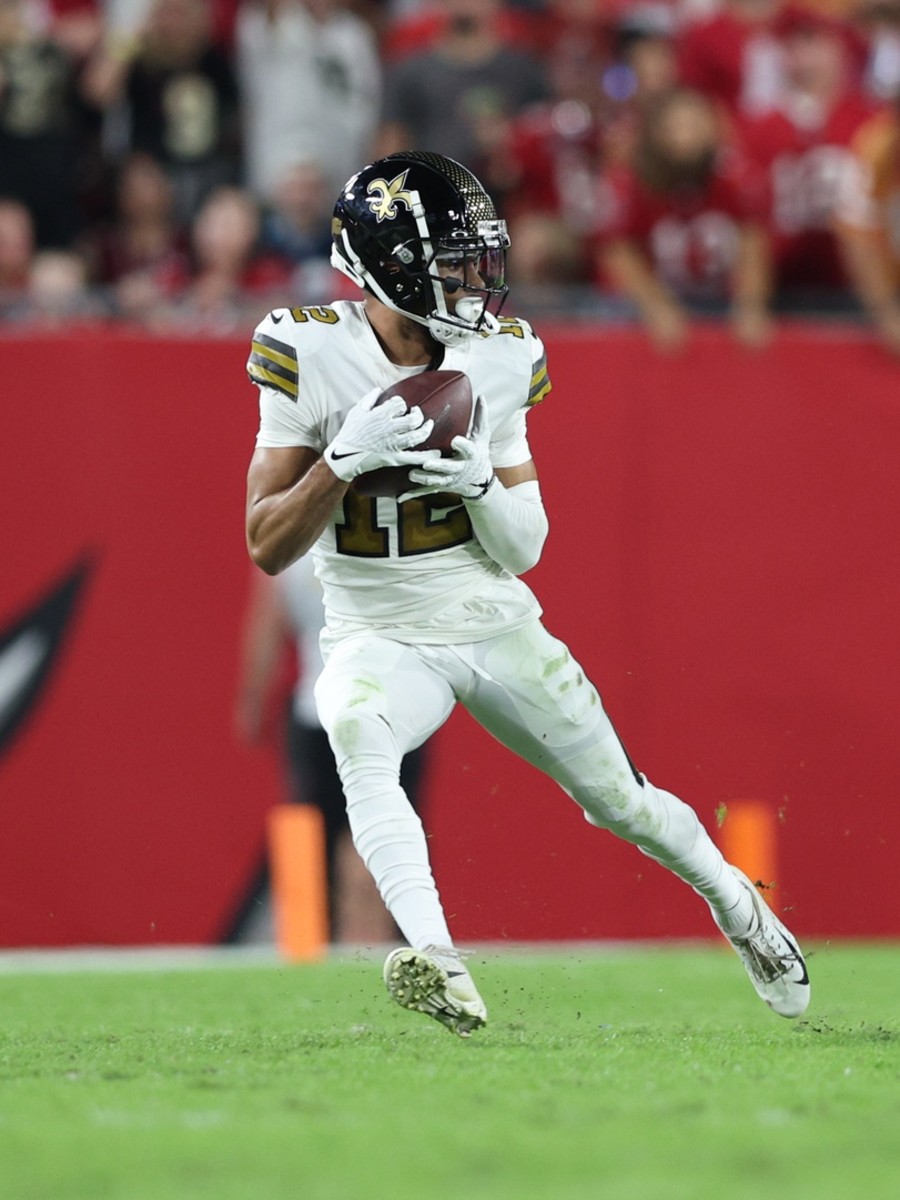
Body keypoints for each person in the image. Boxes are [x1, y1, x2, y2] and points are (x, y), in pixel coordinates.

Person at [243, 149, 810, 1038]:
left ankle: (737, 902)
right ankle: (438, 962)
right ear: (387, 268)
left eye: (477, 256)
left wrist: (477, 483)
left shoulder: (499, 357)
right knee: (356, 729)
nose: (475, 279)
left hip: (487, 615)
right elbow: (266, 540)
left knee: (618, 803)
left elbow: (528, 547)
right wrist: (339, 462)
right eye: (452, 262)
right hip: (378, 627)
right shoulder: (308, 349)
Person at [234, 552, 430, 944]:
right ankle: (375, 942)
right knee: (379, 833)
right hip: (389, 711)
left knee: (316, 838)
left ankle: (312, 944)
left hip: (319, 713)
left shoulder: (289, 543)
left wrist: (253, 703)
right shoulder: (391, 535)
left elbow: (267, 627)